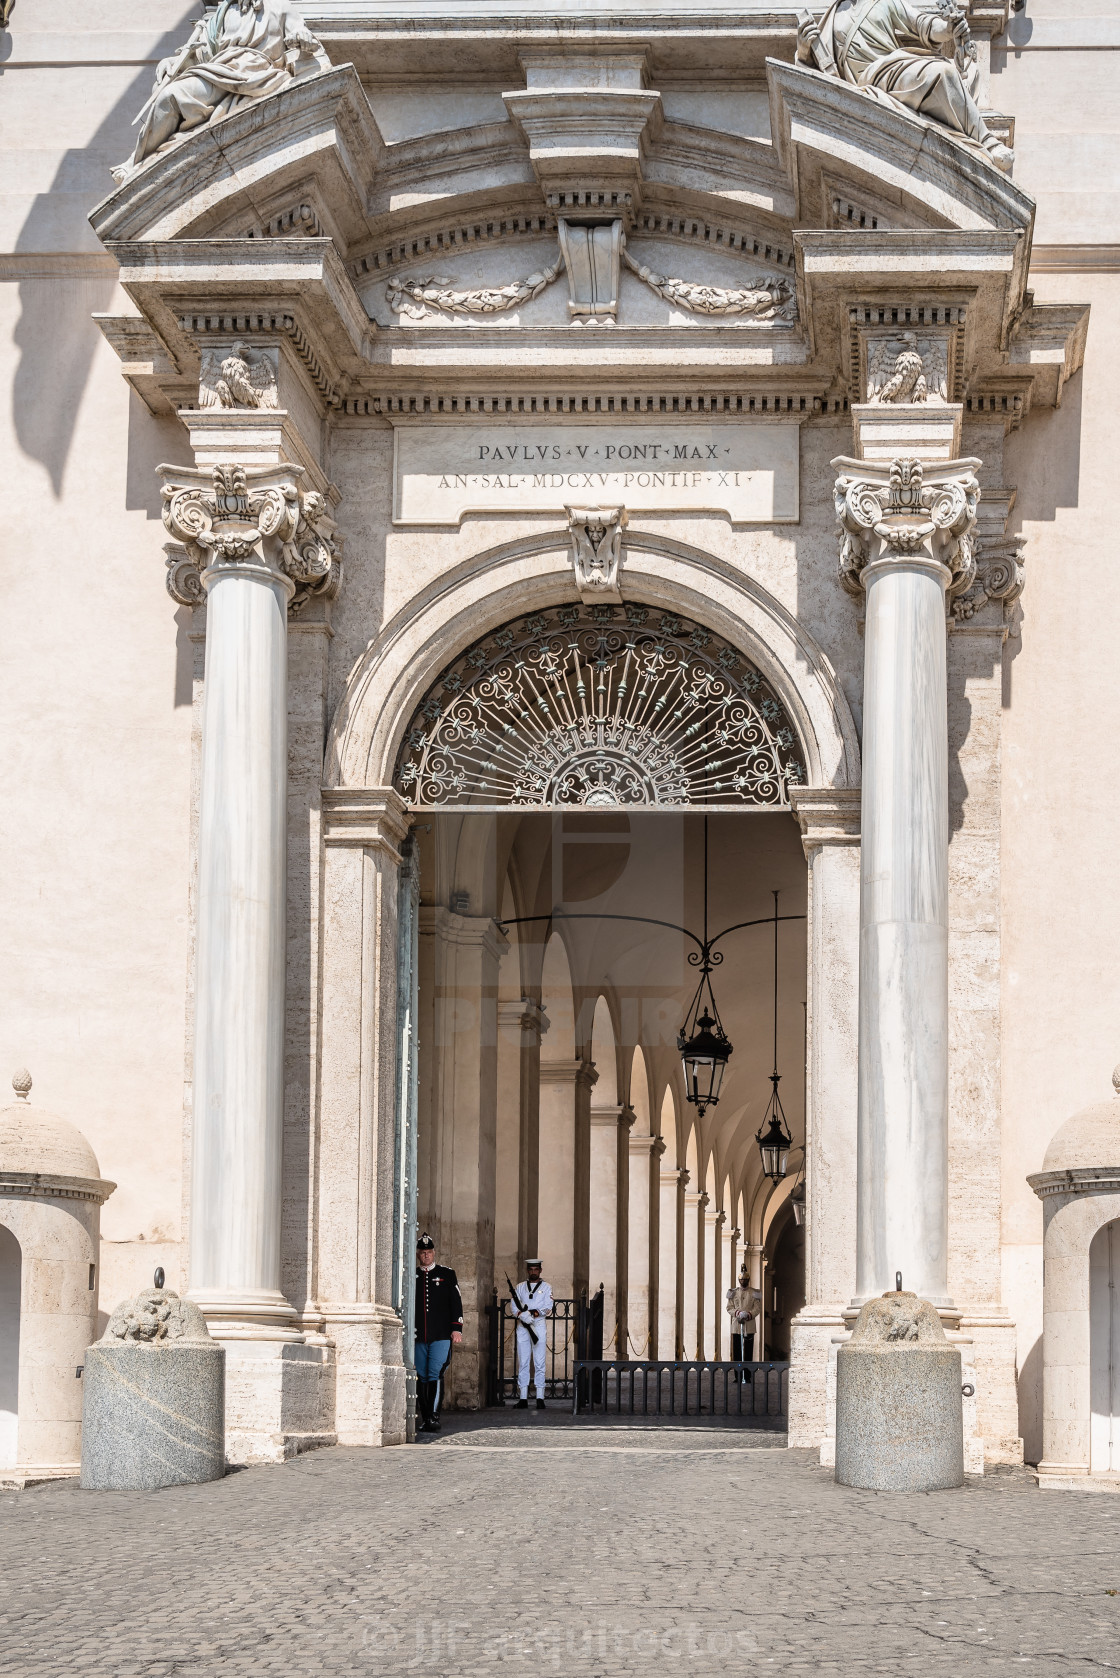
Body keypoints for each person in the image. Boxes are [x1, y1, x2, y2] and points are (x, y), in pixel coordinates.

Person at [114, 0, 330, 180]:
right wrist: (172, 62)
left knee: (172, 96)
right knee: (169, 96)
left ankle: (137, 161)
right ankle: (138, 162)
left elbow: (305, 41)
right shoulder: (224, 12)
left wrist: (304, 41)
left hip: (259, 72)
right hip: (219, 70)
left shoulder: (280, 6)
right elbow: (201, 54)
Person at [796, 0, 1013, 172]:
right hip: (863, 85)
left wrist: (948, 28)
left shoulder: (883, 2)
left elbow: (922, 25)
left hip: (891, 69)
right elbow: (813, 79)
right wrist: (804, 49)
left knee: (944, 73)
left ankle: (987, 141)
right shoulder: (831, 18)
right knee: (942, 73)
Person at [414, 1232, 463, 1434]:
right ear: (418, 1254)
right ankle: (425, 1416)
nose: (426, 1256)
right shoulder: (413, 1275)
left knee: (435, 1373)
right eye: (423, 1252)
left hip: (441, 1333)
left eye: (429, 1252)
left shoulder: (446, 1274)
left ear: (434, 1253)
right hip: (419, 1335)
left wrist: (456, 1328)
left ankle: (434, 1416)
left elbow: (456, 1302)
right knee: (421, 1376)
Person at [510, 1259, 552, 1410]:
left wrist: (533, 1314)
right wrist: (522, 1315)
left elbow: (548, 1306)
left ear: (540, 1270)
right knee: (524, 1362)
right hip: (523, 1327)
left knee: (540, 1362)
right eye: (531, 1269)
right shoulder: (520, 1287)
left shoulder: (547, 1287)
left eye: (536, 1269)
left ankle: (540, 1396)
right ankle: (523, 1397)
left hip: (538, 1325)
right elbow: (514, 1307)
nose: (533, 1272)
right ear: (528, 1271)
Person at [726, 1265, 762, 1380]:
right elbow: (729, 1308)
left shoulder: (754, 1292)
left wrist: (749, 1314)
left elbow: (757, 1308)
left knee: (748, 1352)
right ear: (739, 1280)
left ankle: (747, 1376)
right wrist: (737, 1313)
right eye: (741, 1280)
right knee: (737, 1352)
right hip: (736, 1325)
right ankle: (737, 1375)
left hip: (749, 1325)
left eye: (745, 1280)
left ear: (748, 1280)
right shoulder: (733, 1292)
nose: (743, 1282)